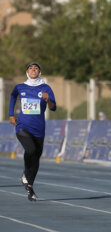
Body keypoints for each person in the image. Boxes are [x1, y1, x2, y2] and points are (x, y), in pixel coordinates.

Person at [9, 62, 56, 201]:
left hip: (39, 128)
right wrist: (11, 114)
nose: (33, 70)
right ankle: (25, 172)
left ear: (39, 72)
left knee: (36, 157)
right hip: (22, 126)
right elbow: (12, 97)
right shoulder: (20, 87)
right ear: (27, 72)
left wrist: (48, 100)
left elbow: (53, 107)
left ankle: (30, 187)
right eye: (31, 68)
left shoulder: (45, 88)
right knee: (30, 150)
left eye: (36, 68)